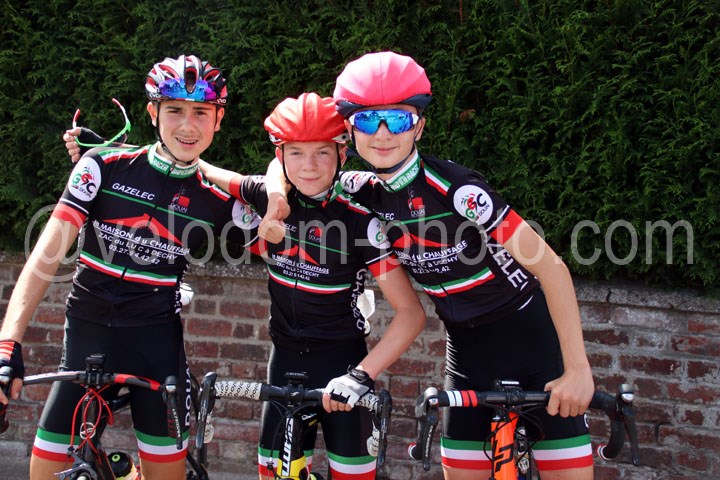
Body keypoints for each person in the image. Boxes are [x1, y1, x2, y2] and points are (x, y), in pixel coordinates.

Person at [261, 51, 596, 480]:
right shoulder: (359, 189)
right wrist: (276, 199)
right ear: (349, 131)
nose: (383, 134)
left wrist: (578, 369)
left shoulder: (458, 190)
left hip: (534, 345)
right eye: (368, 120)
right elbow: (284, 164)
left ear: (419, 125)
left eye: (398, 119)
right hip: (467, 355)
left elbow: (552, 270)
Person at [0, 54, 257, 480]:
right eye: (174, 110)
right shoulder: (101, 166)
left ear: (218, 120)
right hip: (87, 339)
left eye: (201, 112)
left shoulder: (215, 198)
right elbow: (45, 257)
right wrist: (8, 344)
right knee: (42, 473)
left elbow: (288, 225)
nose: (187, 125)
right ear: (153, 112)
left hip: (156, 350)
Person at [198, 92, 426, 480]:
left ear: (342, 154)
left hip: (344, 366)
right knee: (276, 474)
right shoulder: (268, 196)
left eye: (322, 152)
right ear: (281, 156)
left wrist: (361, 376)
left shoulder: (358, 220)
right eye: (296, 153)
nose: (309, 166)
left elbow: (411, 314)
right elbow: (200, 169)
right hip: (284, 364)